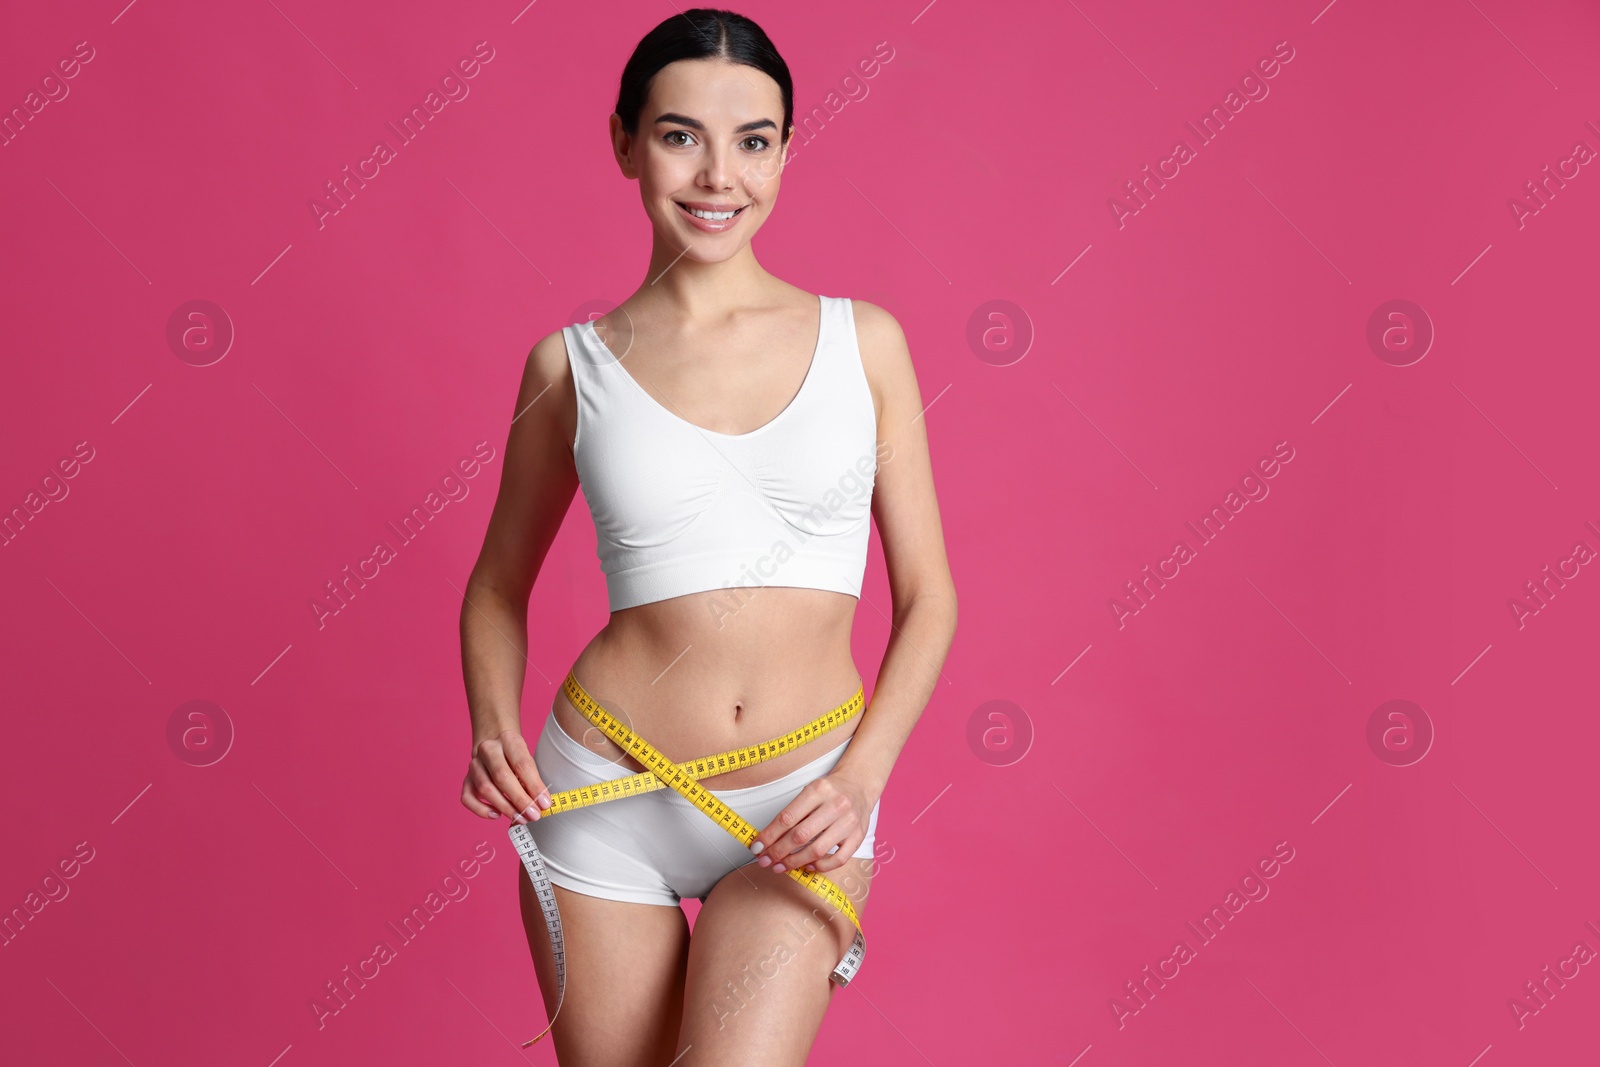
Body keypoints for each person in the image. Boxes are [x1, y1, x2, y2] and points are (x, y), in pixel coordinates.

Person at [457, 8, 956, 1065]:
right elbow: (498, 583)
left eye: (754, 140)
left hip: (806, 793)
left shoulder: (863, 343)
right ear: (624, 142)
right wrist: (492, 721)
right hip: (604, 797)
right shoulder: (569, 366)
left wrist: (859, 780)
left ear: (784, 150)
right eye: (681, 134)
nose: (718, 174)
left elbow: (930, 598)